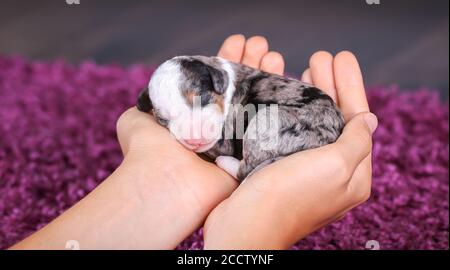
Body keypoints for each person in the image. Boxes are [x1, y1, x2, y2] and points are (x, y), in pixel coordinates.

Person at [10, 35, 377, 250]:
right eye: (169, 121)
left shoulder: (233, 83)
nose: (190, 133)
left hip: (300, 121)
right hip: (283, 131)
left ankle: (249, 168)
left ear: (217, 81)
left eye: (199, 104)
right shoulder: (211, 97)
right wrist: (264, 218)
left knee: (264, 124)